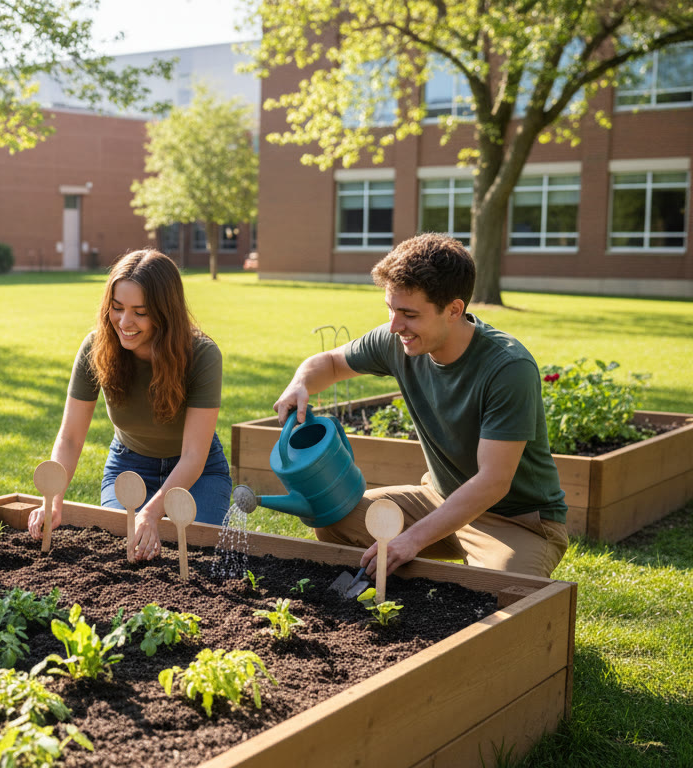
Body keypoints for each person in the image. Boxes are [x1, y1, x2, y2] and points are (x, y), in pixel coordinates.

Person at [273, 233, 568, 578]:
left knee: (499, 596)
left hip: (516, 522)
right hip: (437, 499)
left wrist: (411, 539)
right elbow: (332, 363)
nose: (395, 326)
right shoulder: (396, 340)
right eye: (390, 309)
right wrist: (301, 382)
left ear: (454, 310)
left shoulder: (507, 368)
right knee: (334, 518)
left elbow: (493, 482)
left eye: (408, 314)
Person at [28, 249, 231, 559]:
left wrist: (151, 513)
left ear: (165, 312)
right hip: (129, 468)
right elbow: (70, 437)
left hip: (197, 473)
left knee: (192, 550)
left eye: (140, 311)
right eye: (117, 307)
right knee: (126, 548)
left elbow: (193, 455)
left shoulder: (202, 355)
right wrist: (54, 497)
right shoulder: (96, 348)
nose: (125, 321)